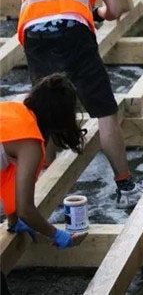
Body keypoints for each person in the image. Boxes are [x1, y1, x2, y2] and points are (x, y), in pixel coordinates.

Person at [17, 0, 143, 208]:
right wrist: (96, 13)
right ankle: (126, 185)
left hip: (33, 34)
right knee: (105, 111)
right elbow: (114, 9)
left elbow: (37, 5)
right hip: (72, 30)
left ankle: (41, 188)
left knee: (43, 109)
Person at [1, 74, 86, 293]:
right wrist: (56, 234)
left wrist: (13, 221)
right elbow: (26, 209)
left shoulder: (15, 109)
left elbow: (9, 182)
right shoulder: (30, 143)